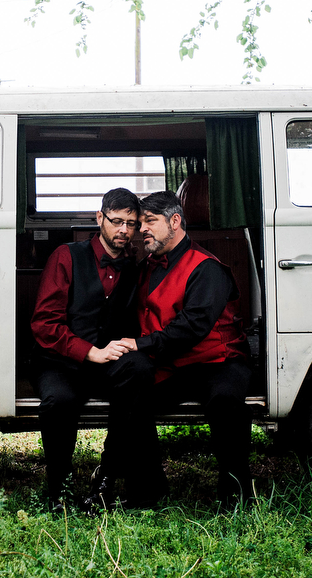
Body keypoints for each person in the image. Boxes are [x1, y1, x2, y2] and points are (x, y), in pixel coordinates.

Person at [120, 190, 252, 506]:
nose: (142, 230)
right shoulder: (146, 266)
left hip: (218, 360)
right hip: (171, 364)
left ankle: (237, 497)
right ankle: (148, 492)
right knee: (131, 397)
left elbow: (193, 327)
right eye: (141, 224)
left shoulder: (207, 267)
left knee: (226, 400)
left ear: (175, 221)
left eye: (149, 222)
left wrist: (140, 344)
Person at [29, 188, 153, 512]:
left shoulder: (134, 268)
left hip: (104, 363)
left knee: (139, 369)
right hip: (58, 361)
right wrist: (89, 351)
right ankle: (59, 489)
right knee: (60, 401)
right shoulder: (66, 256)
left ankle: (107, 477)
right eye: (116, 221)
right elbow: (44, 324)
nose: (124, 230)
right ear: (100, 218)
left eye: (131, 223)